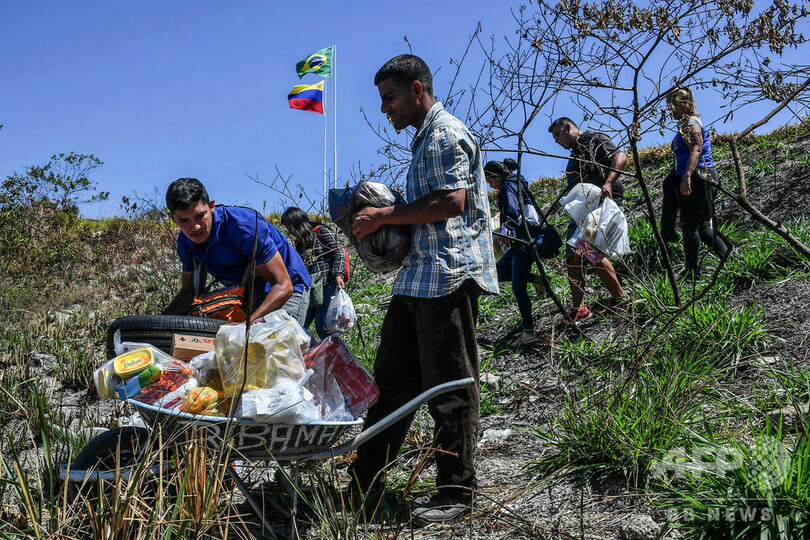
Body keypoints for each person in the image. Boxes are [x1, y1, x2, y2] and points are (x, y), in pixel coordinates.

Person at [349, 54, 499, 526]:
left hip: (448, 278)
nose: (385, 108)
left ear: (417, 90)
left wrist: (385, 217)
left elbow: (452, 203)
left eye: (390, 97)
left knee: (450, 386)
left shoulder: (444, 133)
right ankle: (364, 488)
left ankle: (457, 493)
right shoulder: (424, 140)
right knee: (389, 388)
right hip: (418, 278)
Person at [162, 178, 311, 325]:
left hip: (286, 285)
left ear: (211, 206)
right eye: (184, 221)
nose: (195, 227)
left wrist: (243, 327)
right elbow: (189, 293)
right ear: (173, 219)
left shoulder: (244, 227)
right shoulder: (186, 242)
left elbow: (283, 286)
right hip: (249, 294)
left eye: (200, 216)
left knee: (277, 343)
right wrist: (152, 325)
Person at [549, 117, 629, 321]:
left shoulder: (594, 139)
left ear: (568, 127)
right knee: (572, 257)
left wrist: (609, 183)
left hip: (602, 203)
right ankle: (580, 309)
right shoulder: (574, 155)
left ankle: (620, 298)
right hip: (583, 211)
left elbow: (620, 156)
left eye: (558, 134)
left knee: (589, 250)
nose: (558, 141)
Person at [661, 87, 729, 279]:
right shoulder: (686, 124)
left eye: (673, 105)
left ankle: (692, 273)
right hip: (704, 176)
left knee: (689, 226)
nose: (670, 109)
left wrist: (687, 176)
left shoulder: (691, 123)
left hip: (699, 176)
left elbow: (696, 150)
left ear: (685, 104)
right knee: (703, 226)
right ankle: (729, 259)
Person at [484, 160, 545, 345]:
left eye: (489, 180)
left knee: (518, 288)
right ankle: (538, 280)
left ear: (496, 176)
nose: (489, 184)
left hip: (523, 240)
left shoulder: (508, 185)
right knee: (500, 272)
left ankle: (529, 333)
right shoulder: (516, 183)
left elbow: (512, 209)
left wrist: (508, 229)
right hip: (526, 238)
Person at [279, 206, 346, 339]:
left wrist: (338, 274)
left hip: (328, 284)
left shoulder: (321, 231)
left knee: (323, 328)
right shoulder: (301, 242)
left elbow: (338, 253)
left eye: (290, 228)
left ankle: (337, 357)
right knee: (298, 325)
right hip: (311, 289)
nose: (290, 231)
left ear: (298, 223)